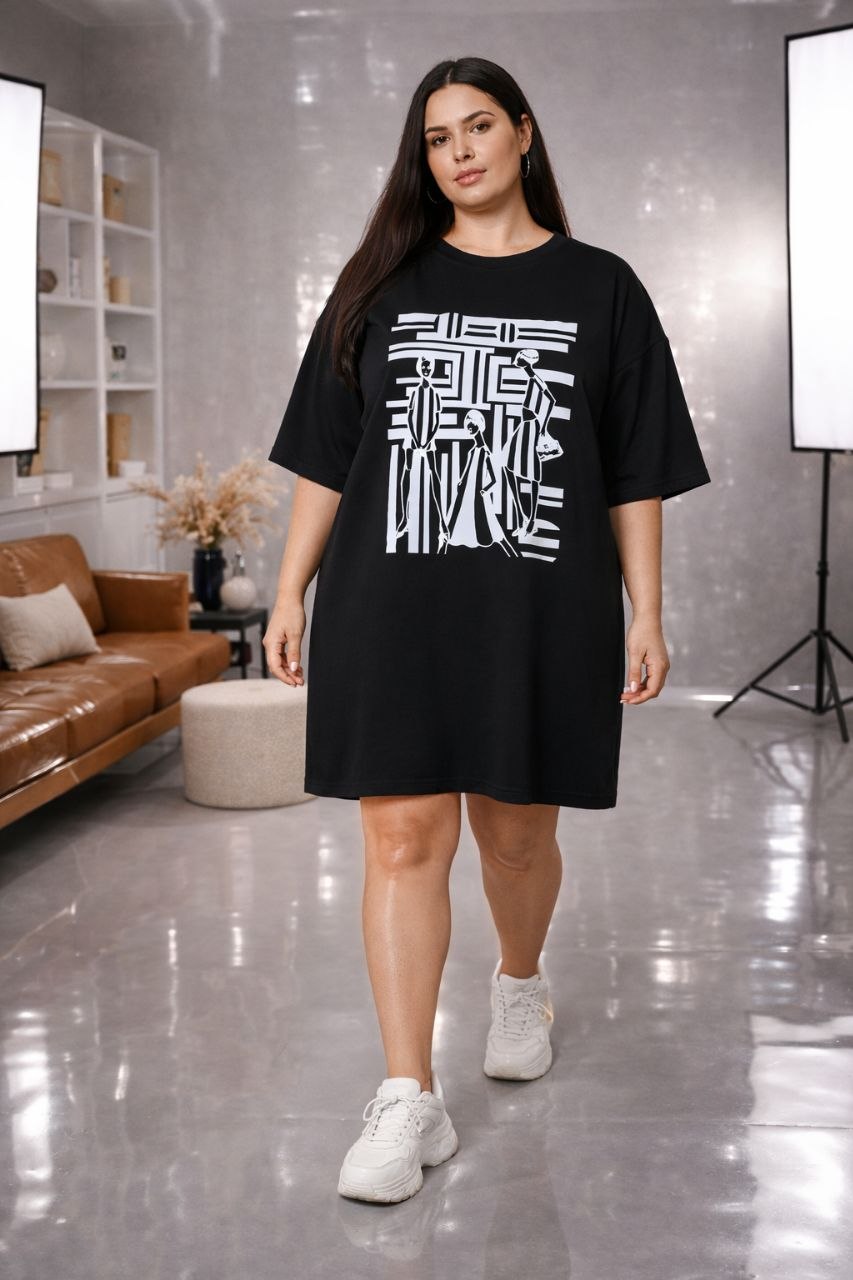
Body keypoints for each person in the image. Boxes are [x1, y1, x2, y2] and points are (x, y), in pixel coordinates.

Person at [264, 55, 711, 1206]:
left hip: (538, 606)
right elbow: (326, 454)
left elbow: (634, 468)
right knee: (401, 838)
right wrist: (289, 589)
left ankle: (518, 981)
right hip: (389, 603)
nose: (457, 151)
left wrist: (647, 609)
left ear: (521, 132)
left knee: (514, 837)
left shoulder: (602, 287)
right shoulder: (378, 284)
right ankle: (407, 1090)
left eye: (476, 127)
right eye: (435, 138)